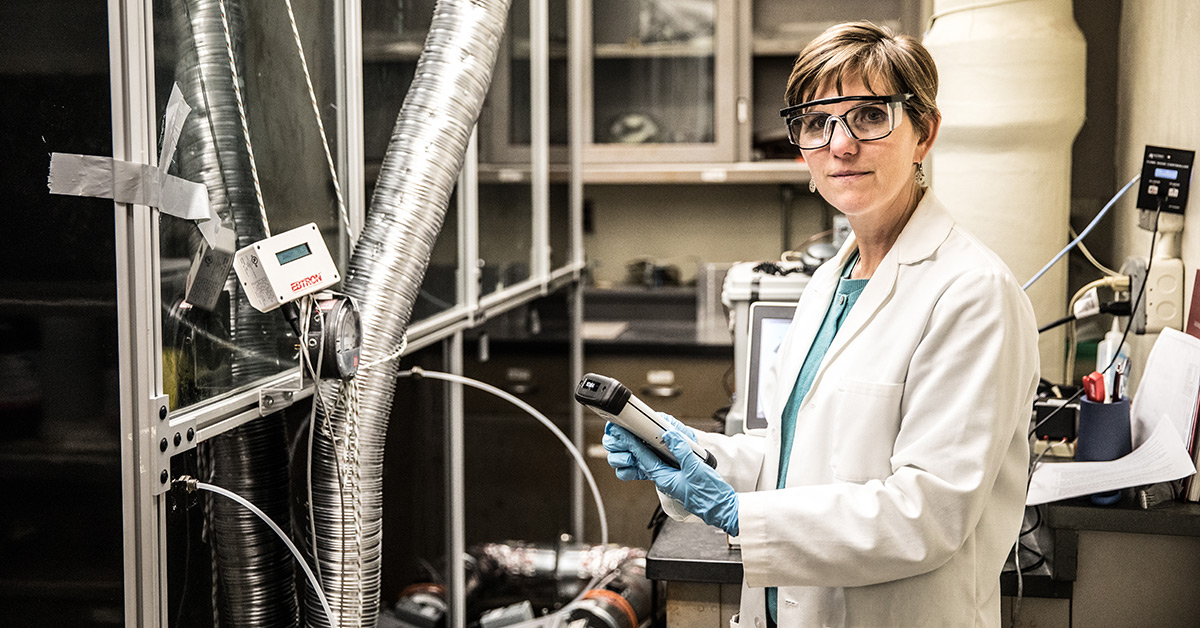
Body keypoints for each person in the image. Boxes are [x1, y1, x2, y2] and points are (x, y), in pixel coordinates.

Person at [603, 21, 1039, 628]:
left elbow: (928, 514)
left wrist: (736, 514)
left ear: (924, 133)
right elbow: (790, 463)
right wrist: (692, 456)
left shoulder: (972, 293)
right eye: (816, 122)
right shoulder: (827, 284)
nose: (840, 144)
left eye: (867, 115)